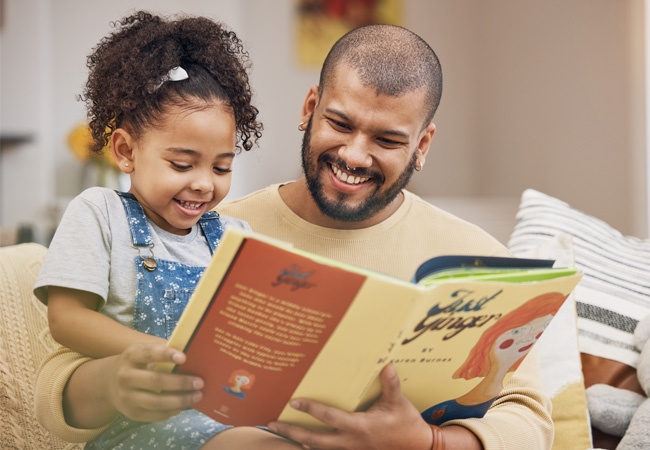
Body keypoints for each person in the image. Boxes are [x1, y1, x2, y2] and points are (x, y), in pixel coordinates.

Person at [35, 23, 554, 450]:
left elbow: (531, 420)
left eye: (388, 139)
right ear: (309, 109)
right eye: (339, 123)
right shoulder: (212, 226)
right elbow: (59, 382)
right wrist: (118, 382)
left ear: (423, 145)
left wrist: (428, 443)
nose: (354, 154)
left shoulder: (480, 259)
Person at [33, 10, 266, 449]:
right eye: (182, 164)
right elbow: (66, 318)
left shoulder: (237, 236)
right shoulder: (101, 213)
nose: (203, 182)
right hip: (139, 423)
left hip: (227, 413)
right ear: (125, 151)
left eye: (221, 167)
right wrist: (164, 357)